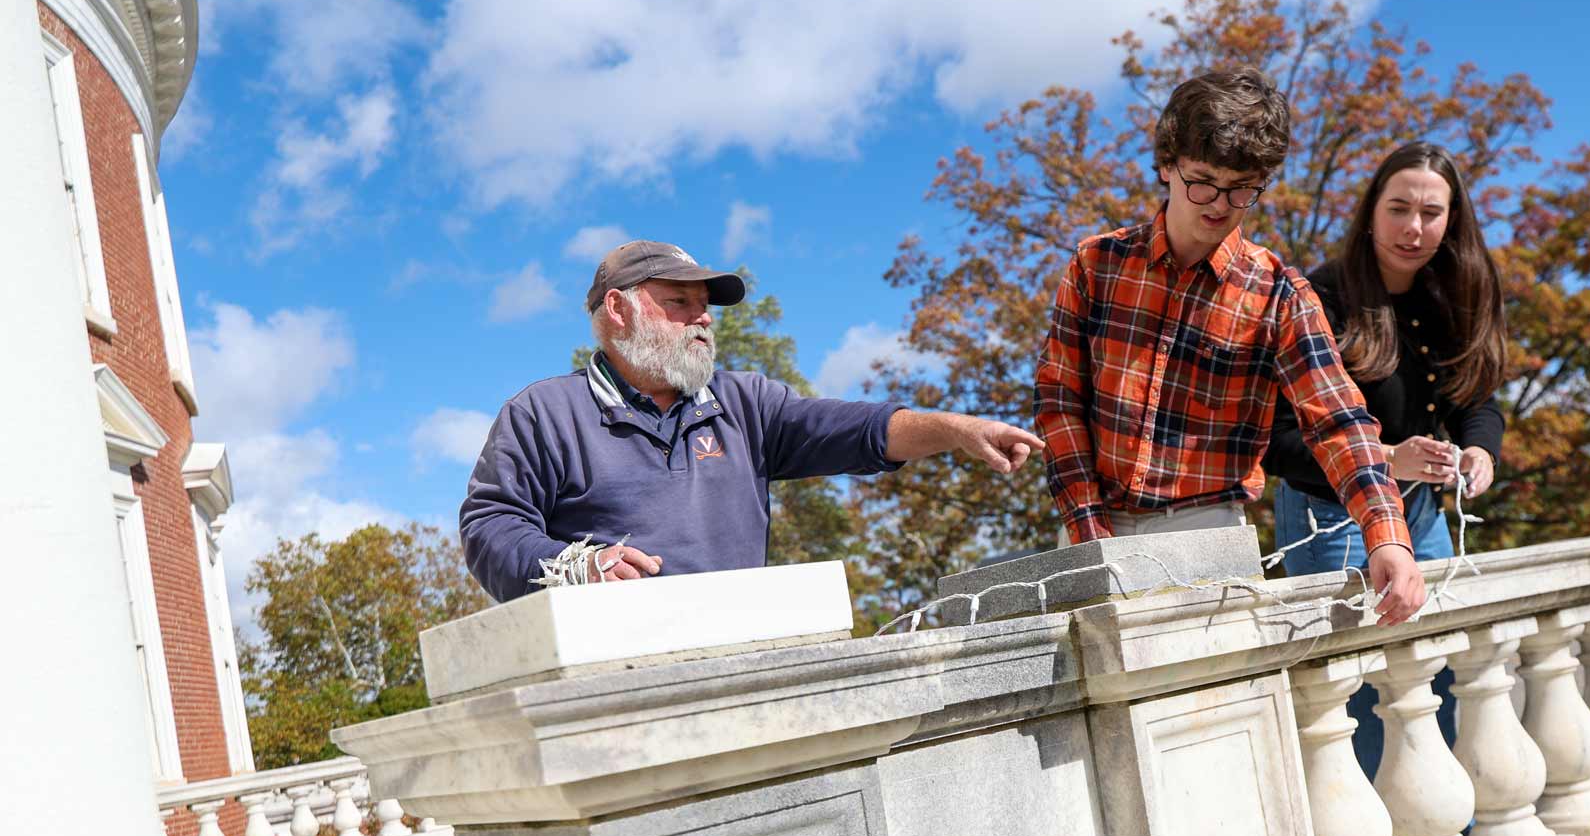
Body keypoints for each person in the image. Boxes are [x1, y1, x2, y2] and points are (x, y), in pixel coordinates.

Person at [1034, 68, 1425, 625]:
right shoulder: (1097, 265)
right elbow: (1059, 401)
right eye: (1202, 181)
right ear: (1167, 165)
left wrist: (1388, 535)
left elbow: (1338, 422)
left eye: (1242, 188)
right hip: (1091, 521)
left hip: (1210, 530)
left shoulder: (1280, 295)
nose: (1219, 204)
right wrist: (1087, 527)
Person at [460, 241, 1045, 603]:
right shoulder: (544, 414)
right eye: (680, 303)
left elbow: (853, 429)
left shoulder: (744, 404)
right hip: (608, 682)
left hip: (738, 661)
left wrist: (955, 430)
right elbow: (491, 525)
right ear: (618, 309)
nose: (703, 321)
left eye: (705, 307)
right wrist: (576, 568)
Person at [1262, 141, 1509, 836]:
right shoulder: (1321, 297)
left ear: (1452, 220)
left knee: (1431, 676)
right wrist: (1382, 460)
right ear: (1370, 213)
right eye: (1398, 208)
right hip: (1327, 516)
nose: (1414, 226)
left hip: (1425, 515)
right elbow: (1276, 441)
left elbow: (1476, 399)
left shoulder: (1450, 292)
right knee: (1364, 695)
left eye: (1432, 212)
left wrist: (1478, 449)